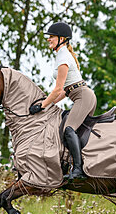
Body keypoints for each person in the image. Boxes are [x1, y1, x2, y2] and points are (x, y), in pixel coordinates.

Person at [28, 21, 97, 182]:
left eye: (51, 37)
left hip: (83, 97)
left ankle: (79, 170)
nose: (48, 39)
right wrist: (48, 104)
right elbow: (65, 91)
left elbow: (58, 89)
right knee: (69, 129)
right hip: (78, 95)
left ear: (62, 39)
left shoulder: (63, 56)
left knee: (68, 129)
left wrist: (42, 105)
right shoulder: (62, 54)